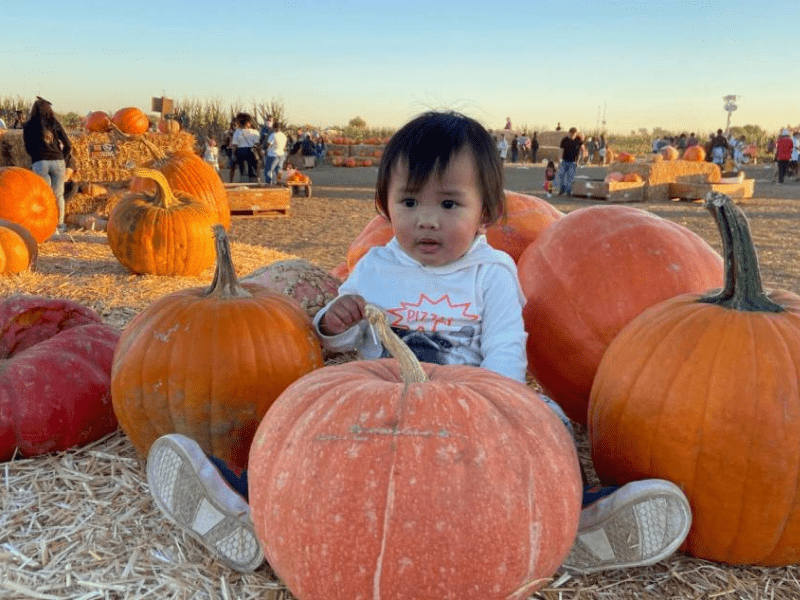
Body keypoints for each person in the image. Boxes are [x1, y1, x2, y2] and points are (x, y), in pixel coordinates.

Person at [145, 110, 691, 576]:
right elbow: (338, 341)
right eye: (409, 203)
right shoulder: (375, 266)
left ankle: (575, 517)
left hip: (469, 412)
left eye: (449, 205)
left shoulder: (493, 273)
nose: (426, 221)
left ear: (486, 212)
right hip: (376, 410)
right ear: (385, 206)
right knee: (302, 418)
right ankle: (247, 504)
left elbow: (506, 350)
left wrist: (501, 415)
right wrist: (336, 320)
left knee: (549, 422)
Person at [22, 97, 72, 234]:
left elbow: (28, 147)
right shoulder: (54, 123)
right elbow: (68, 144)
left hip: (40, 162)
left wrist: (36, 156)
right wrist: (62, 156)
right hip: (58, 161)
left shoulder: (29, 125)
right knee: (58, 195)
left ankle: (46, 226)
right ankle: (60, 225)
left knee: (44, 195)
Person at [229, 113, 260, 183]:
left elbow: (235, 145)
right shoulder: (255, 132)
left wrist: (233, 154)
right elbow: (257, 144)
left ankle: (243, 183)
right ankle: (254, 182)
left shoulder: (237, 132)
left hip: (241, 151)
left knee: (243, 170)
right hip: (251, 151)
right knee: (252, 169)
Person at [556, 127, 583, 195]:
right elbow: (561, 150)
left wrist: (579, 160)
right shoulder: (564, 140)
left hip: (573, 162)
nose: (572, 136)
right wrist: (559, 160)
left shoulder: (578, 140)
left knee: (570, 177)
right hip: (564, 161)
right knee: (561, 175)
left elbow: (582, 150)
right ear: (569, 133)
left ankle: (568, 191)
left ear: (576, 134)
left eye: (574, 134)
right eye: (571, 134)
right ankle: (562, 189)